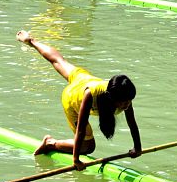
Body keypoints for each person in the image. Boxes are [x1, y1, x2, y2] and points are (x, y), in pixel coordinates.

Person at [16, 31, 142, 169]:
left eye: (129, 101)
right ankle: (50, 143)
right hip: (72, 99)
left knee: (58, 60)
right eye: (124, 102)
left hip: (83, 79)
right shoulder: (90, 96)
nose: (127, 105)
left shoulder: (123, 93)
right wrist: (76, 159)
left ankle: (31, 41)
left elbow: (132, 123)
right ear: (112, 97)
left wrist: (137, 147)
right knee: (88, 147)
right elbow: (81, 130)